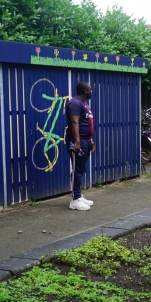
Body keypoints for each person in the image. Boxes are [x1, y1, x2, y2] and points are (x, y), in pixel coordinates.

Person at [66, 81, 95, 211]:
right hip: (78, 141)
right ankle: (75, 200)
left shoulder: (83, 103)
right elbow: (74, 122)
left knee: (81, 168)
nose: (91, 91)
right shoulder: (74, 103)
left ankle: (79, 195)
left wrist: (90, 140)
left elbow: (85, 123)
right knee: (77, 170)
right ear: (85, 91)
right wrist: (77, 141)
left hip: (85, 140)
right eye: (90, 89)